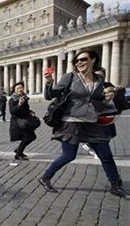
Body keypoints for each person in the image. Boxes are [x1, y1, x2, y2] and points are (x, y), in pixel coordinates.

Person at [39, 50, 128, 197]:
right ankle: (45, 177)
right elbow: (50, 96)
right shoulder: (70, 77)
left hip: (91, 122)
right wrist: (49, 82)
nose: (79, 62)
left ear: (93, 60)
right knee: (69, 156)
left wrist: (111, 94)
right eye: (77, 61)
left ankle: (115, 185)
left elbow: (99, 99)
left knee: (106, 155)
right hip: (71, 122)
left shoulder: (99, 80)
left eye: (83, 59)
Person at [9, 82, 37, 160]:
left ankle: (18, 150)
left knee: (32, 137)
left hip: (25, 120)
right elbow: (12, 111)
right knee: (27, 137)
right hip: (18, 122)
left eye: (21, 87)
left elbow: (25, 109)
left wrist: (30, 111)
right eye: (17, 88)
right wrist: (19, 104)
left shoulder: (24, 98)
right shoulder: (12, 99)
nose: (19, 89)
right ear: (14, 90)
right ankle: (18, 154)